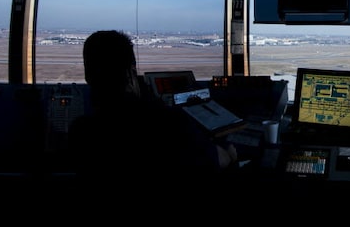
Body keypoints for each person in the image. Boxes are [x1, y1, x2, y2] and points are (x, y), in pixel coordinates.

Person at [67, 30, 239, 204]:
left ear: (88, 77)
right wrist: (226, 149)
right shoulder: (167, 123)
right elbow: (220, 161)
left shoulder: (80, 131)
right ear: (130, 73)